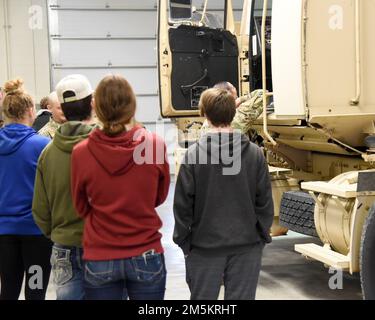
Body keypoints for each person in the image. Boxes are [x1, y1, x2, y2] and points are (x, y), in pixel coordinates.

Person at [71, 75, 170, 300]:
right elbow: (159, 196)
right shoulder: (153, 145)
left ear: (95, 107)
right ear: (132, 105)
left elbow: (80, 206)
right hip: (146, 251)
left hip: (100, 254)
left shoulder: (81, 152)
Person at [173, 88, 274, 300]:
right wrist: (259, 237)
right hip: (246, 249)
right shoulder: (255, 155)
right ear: (233, 113)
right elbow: (264, 203)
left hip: (203, 250)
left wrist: (185, 243)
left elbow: (182, 208)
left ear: (205, 115)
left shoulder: (193, 156)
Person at [32, 74, 97, 300]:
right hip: (102, 246)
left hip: (63, 248)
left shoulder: (47, 153)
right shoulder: (109, 147)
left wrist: (58, 234)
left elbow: (40, 210)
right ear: (92, 103)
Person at [0, 79, 52, 300]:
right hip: (36, 236)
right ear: (31, 111)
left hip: (3, 234)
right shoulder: (41, 146)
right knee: (35, 291)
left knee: (8, 290)